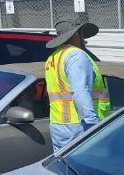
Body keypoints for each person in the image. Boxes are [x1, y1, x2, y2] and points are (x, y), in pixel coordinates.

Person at [45, 20, 111, 152]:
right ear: (76, 35)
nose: (85, 40)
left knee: (65, 168)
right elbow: (80, 92)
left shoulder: (53, 57)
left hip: (59, 126)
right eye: (82, 34)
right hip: (79, 126)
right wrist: (93, 126)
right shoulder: (76, 55)